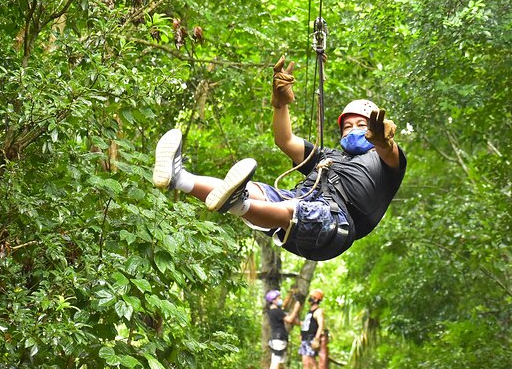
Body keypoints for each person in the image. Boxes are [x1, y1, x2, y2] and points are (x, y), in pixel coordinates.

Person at [151, 55, 406, 260]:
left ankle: (240, 205)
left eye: (361, 125)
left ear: (375, 127)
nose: (352, 131)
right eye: (347, 127)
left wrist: (383, 142)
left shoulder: (385, 164)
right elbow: (285, 141)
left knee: (292, 209)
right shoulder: (327, 157)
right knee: (253, 190)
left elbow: (389, 151)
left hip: (334, 224)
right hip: (301, 202)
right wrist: (280, 105)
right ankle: (180, 178)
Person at [265, 289, 301, 369]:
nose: (280, 299)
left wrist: (290, 295)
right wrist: (296, 309)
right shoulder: (276, 311)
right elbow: (289, 319)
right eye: (278, 298)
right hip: (279, 338)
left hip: (274, 338)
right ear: (273, 300)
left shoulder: (272, 311)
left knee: (274, 361)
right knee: (276, 361)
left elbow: (283, 305)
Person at [299, 289, 325, 369]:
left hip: (311, 338)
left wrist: (317, 338)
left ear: (316, 299)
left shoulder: (318, 311)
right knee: (305, 362)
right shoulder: (309, 312)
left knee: (312, 361)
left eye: (312, 297)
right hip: (304, 339)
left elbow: (321, 324)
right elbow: (306, 324)